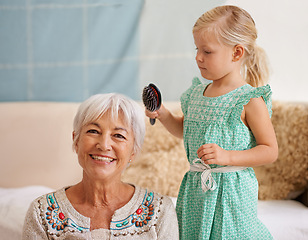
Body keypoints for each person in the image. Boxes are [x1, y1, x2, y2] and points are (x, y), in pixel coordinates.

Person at [145, 5, 278, 240]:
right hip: (196, 190)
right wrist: (164, 115)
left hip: (232, 193)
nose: (198, 57)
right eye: (197, 49)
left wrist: (228, 156)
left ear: (237, 53)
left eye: (207, 51)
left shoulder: (248, 99)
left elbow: (270, 151)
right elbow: (186, 130)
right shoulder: (197, 93)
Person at [22, 93, 179, 239]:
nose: (104, 145)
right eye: (93, 131)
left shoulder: (159, 211)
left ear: (134, 150)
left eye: (118, 135)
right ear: (76, 140)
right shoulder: (42, 213)